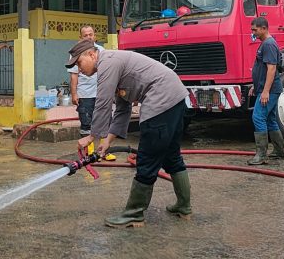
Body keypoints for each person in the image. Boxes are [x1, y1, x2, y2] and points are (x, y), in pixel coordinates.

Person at [69, 39, 191, 228]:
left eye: (79, 63)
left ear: (91, 55)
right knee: (171, 156)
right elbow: (122, 109)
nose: (79, 69)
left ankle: (134, 214)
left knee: (146, 159)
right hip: (175, 99)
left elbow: (102, 102)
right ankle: (184, 208)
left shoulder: (107, 63)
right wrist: (107, 141)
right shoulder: (114, 63)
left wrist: (92, 136)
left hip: (161, 101)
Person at [67, 26, 115, 161]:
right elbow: (74, 76)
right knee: (87, 123)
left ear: (95, 36)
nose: (88, 37)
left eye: (91, 34)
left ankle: (104, 151)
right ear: (80, 38)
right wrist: (74, 94)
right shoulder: (76, 53)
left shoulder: (102, 51)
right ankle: (89, 154)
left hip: (101, 93)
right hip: (85, 94)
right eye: (85, 35)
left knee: (106, 121)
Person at [247, 17, 284, 165]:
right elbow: (262, 70)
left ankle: (261, 155)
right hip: (267, 89)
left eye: (254, 30)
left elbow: (271, 69)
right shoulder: (265, 44)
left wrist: (265, 92)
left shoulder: (268, 44)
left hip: (270, 90)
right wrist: (255, 86)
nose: (253, 32)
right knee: (270, 119)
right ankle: (279, 151)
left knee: (258, 117)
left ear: (263, 28)